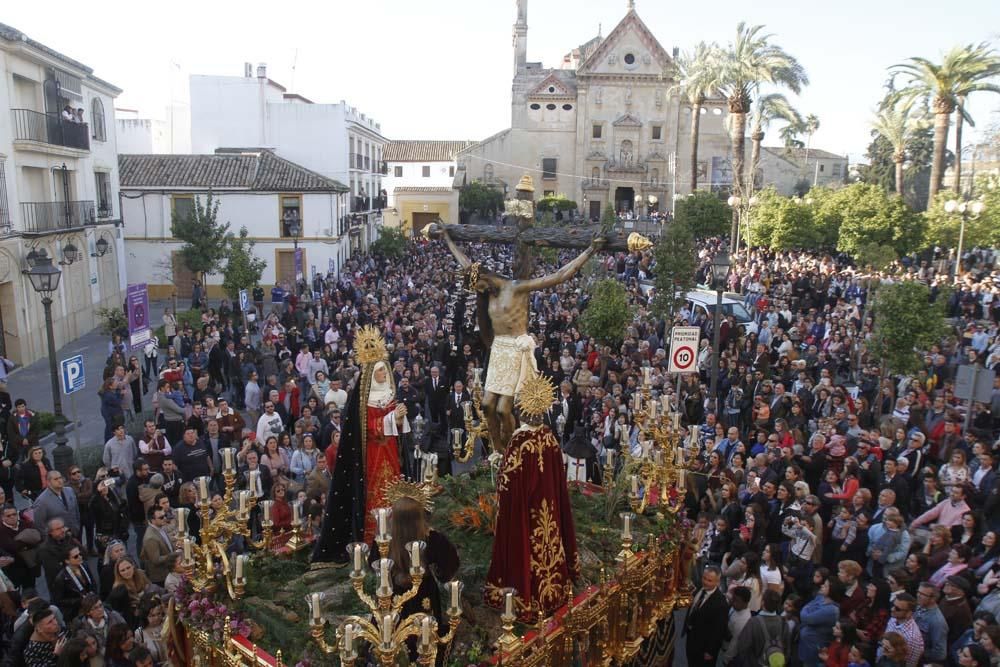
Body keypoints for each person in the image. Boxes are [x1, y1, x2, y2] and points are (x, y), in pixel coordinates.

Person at [483, 373, 578, 615]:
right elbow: (558, 479)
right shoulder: (550, 438)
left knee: (525, 546)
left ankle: (527, 595)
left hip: (526, 511)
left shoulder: (519, 441)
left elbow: (506, 483)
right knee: (548, 547)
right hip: (549, 511)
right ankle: (553, 590)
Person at [313, 329, 410, 564]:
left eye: (384, 371)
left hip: (391, 453)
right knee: (376, 495)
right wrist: (391, 420)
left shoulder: (390, 393)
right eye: (378, 372)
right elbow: (365, 428)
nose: (382, 375)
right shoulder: (363, 398)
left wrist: (400, 418)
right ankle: (374, 540)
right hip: (374, 455)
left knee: (395, 491)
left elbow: (398, 429)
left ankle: (398, 535)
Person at [682, 565, 729, 667]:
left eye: (710, 580)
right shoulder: (699, 587)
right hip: (691, 637)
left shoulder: (721, 603)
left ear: (717, 582)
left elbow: (719, 630)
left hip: (704, 646)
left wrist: (710, 651)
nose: (705, 582)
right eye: (704, 578)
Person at [32, 470, 81, 538]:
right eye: (56, 479)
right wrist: (51, 539)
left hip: (75, 532)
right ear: (48, 482)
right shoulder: (41, 501)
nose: (60, 480)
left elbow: (76, 511)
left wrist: (77, 526)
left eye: (60, 478)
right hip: (58, 539)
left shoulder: (69, 490)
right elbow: (40, 525)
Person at [139, 507, 175, 587]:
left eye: (164, 515)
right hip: (161, 577)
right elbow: (156, 560)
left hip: (168, 571)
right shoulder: (150, 538)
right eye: (161, 517)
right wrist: (173, 555)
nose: (165, 518)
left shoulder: (160, 527)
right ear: (152, 520)